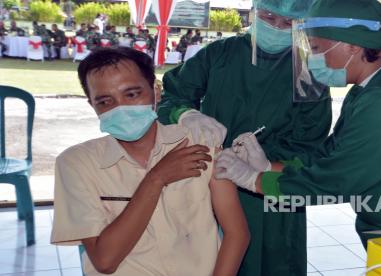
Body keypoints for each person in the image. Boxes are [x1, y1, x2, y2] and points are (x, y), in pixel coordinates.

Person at [215, 0, 381, 250]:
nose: (311, 59)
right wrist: (270, 166)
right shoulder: (374, 88)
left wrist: (254, 179)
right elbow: (330, 155)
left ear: (352, 46)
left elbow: (337, 179)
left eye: (315, 48)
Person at [158, 0, 331, 274]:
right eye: (269, 16)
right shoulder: (218, 54)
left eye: (288, 23)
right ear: (254, 11)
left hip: (271, 189)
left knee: (272, 261)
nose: (276, 27)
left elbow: (311, 147)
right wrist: (185, 114)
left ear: (302, 25)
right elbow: (171, 97)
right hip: (212, 177)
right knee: (209, 255)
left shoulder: (307, 73)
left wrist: (263, 160)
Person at [51, 47, 250, 275]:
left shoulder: (200, 142)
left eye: (132, 94)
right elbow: (105, 261)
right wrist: (156, 178)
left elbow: (237, 233)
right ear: (92, 105)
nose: (121, 109)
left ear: (156, 92)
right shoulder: (76, 164)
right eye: (105, 102)